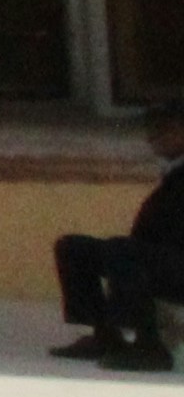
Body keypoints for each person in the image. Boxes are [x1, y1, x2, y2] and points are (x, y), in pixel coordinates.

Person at [46, 106, 184, 373]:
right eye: (152, 132)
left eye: (166, 130)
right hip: (161, 256)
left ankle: (149, 345)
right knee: (74, 248)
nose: (155, 138)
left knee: (125, 252)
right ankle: (105, 335)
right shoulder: (172, 171)